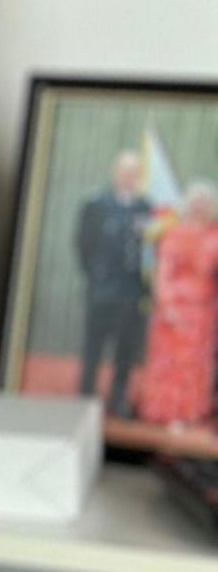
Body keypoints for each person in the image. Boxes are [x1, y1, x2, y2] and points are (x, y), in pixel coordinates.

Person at [74, 146, 158, 410]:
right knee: (94, 348)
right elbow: (83, 245)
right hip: (102, 291)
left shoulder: (147, 207)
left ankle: (118, 399)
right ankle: (85, 396)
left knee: (126, 351)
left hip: (132, 293)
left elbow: (153, 251)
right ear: (115, 172)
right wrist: (96, 276)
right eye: (125, 171)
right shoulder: (96, 204)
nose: (129, 176)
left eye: (135, 172)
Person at [134, 179, 218, 437]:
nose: (199, 207)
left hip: (204, 311)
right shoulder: (173, 232)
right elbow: (163, 273)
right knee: (171, 363)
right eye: (195, 202)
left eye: (204, 203)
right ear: (187, 204)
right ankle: (166, 412)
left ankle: (189, 413)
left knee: (196, 364)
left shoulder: (215, 234)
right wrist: (167, 305)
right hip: (174, 311)